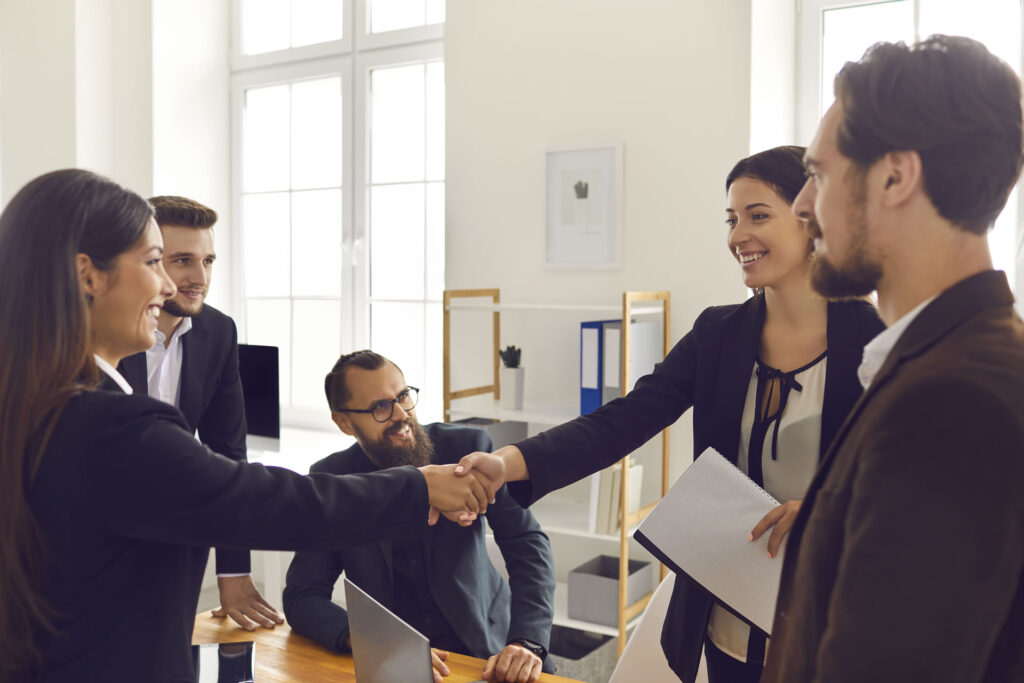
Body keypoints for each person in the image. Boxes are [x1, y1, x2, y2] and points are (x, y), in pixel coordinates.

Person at [0, 169, 497, 682]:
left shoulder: (32, 400)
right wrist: (417, 488)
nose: (171, 284)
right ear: (89, 276)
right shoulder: (112, 425)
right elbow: (257, 500)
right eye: (154, 262)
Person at [455, 146, 884, 683]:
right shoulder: (718, 333)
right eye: (731, 220)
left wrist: (831, 510)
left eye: (758, 216)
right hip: (729, 610)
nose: (737, 237)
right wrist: (508, 462)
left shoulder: (874, 339)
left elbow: (915, 476)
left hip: (834, 615)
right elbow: (625, 419)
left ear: (812, 219)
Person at [758, 35, 1024, 683]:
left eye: (818, 176)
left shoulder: (954, 398)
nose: (802, 205)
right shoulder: (957, 360)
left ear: (896, 176)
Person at [283, 350, 556, 683]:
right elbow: (302, 594)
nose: (401, 415)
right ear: (344, 422)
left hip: (488, 646)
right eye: (379, 407)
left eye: (403, 396)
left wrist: (527, 640)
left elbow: (527, 541)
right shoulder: (332, 480)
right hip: (394, 664)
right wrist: (373, 640)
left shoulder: (468, 448)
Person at [118, 195, 281, 631]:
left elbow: (228, 452)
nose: (199, 277)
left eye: (208, 260)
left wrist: (233, 570)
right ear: (147, 262)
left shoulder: (218, 331)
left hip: (175, 535)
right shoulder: (104, 329)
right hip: (97, 536)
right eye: (183, 261)